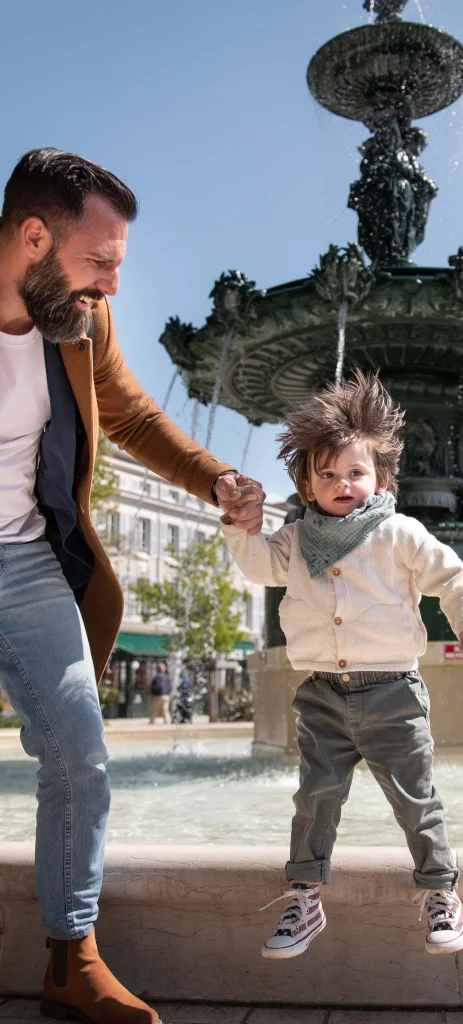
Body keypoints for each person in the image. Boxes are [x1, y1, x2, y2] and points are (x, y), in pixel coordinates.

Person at [0, 149, 264, 1024]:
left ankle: (71, 959)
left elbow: (136, 415)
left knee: (80, 751)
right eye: (99, 262)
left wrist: (218, 478)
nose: (109, 288)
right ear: (34, 237)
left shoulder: (79, 325)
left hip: (28, 558)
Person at [221, 370, 463, 961]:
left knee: (416, 800)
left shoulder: (398, 532)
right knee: (315, 797)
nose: (342, 483)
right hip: (322, 693)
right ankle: (305, 895)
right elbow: (259, 566)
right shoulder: (294, 539)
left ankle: (442, 892)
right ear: (308, 483)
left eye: (355, 472)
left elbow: (450, 575)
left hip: (393, 690)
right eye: (328, 474)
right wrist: (242, 531)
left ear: (381, 478)